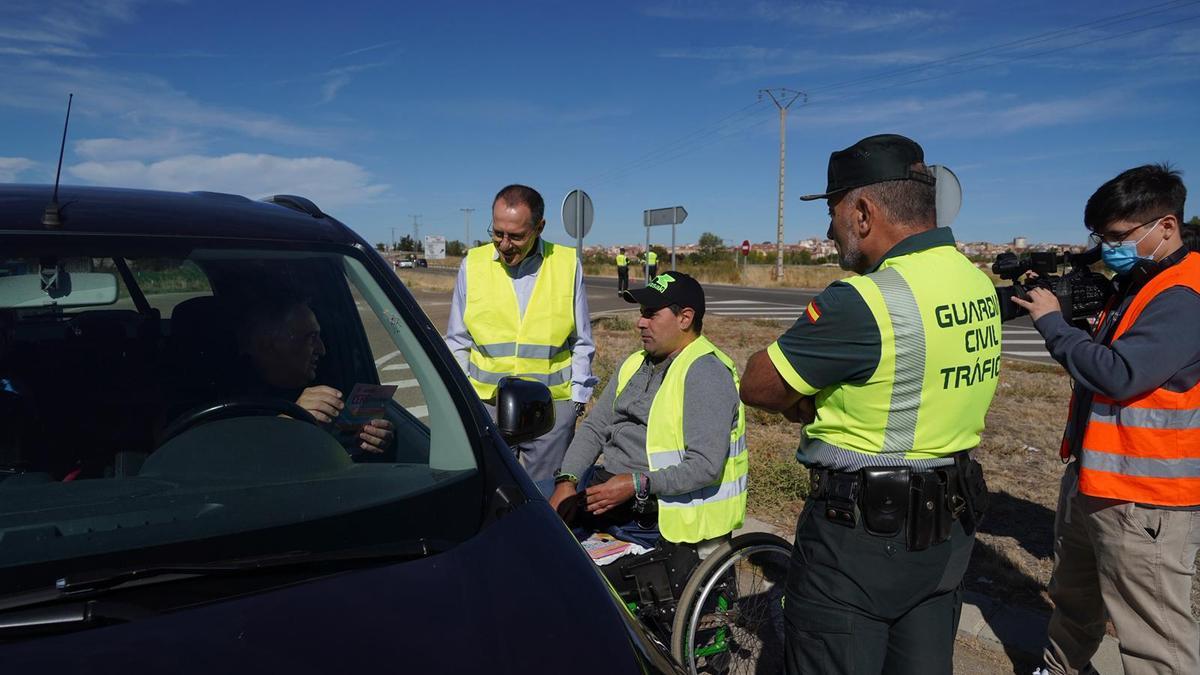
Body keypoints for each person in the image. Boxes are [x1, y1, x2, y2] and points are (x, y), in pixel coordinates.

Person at [739, 134, 998, 674]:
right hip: (945, 537)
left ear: (862, 212)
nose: (828, 229)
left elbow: (760, 383)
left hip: (857, 543)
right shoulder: (976, 284)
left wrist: (803, 403)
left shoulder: (863, 299)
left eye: (832, 212)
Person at [1011, 165, 1200, 675]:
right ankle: (1058, 668)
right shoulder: (1141, 281)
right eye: (1100, 237)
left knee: (1152, 632)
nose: (1108, 247)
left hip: (1146, 499)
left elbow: (1119, 374)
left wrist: (1051, 323)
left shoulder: (1185, 295)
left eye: (1118, 237)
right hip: (1094, 478)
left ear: (1166, 226)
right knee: (1073, 601)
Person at [548, 272, 745, 553]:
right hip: (608, 494)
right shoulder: (634, 363)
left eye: (651, 314)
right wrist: (567, 480)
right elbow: (596, 427)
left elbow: (705, 466)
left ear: (684, 318)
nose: (640, 322)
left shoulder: (705, 373)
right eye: (642, 313)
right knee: (528, 516)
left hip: (655, 517)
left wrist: (636, 484)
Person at [445, 184, 597, 480]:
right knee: (490, 492)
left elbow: (581, 340)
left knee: (545, 495)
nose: (503, 244)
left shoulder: (566, 264)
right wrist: (464, 400)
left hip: (550, 413)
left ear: (539, 227)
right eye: (497, 232)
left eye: (516, 236)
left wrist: (575, 405)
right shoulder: (473, 265)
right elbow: (457, 341)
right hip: (487, 408)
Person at [236, 292, 395, 454]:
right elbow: (234, 463)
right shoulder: (234, 405)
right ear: (269, 343)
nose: (322, 349)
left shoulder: (336, 389)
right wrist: (288, 424)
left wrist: (374, 439)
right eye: (311, 338)